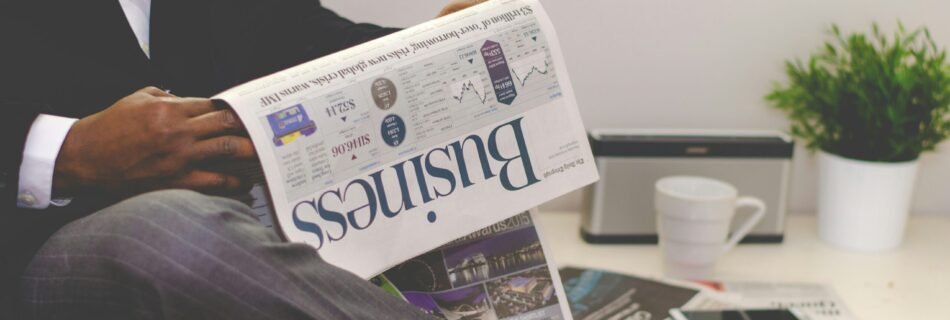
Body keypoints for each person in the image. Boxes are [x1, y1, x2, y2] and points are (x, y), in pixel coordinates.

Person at [1, 0, 484, 318]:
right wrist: (67, 152)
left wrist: (432, 47)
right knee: (172, 234)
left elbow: (301, 39)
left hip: (239, 221)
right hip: (29, 243)